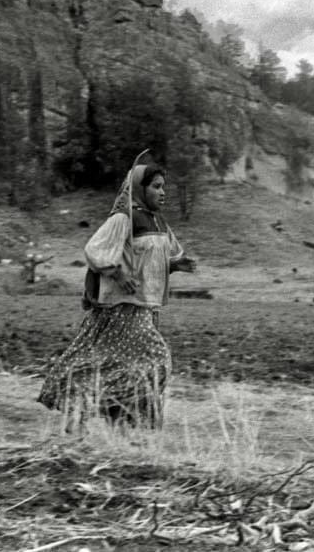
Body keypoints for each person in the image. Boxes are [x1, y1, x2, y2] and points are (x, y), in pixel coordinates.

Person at [38, 156, 196, 431]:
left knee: (117, 364)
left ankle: (99, 414)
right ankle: (93, 403)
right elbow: (95, 250)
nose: (162, 192)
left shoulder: (157, 222)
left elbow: (150, 263)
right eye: (156, 186)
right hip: (120, 312)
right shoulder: (124, 218)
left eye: (163, 187)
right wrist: (117, 274)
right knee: (155, 360)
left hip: (143, 310)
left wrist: (174, 265)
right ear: (138, 188)